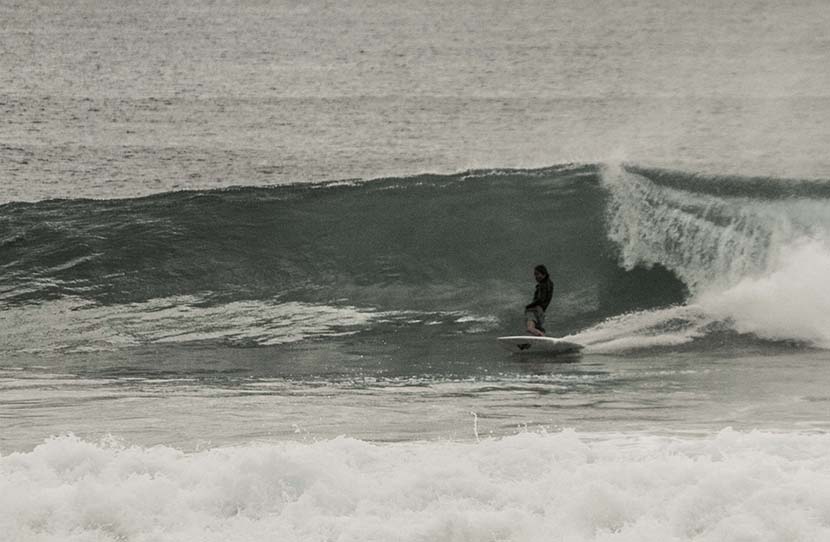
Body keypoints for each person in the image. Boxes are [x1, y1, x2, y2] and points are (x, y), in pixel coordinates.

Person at [525, 264, 553, 336]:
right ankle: (526, 344)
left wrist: (528, 306)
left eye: (537, 274)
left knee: (530, 328)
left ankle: (541, 335)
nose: (536, 277)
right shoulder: (549, 283)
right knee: (537, 330)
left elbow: (541, 299)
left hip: (535, 309)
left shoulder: (543, 285)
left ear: (544, 274)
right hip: (541, 312)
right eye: (535, 275)